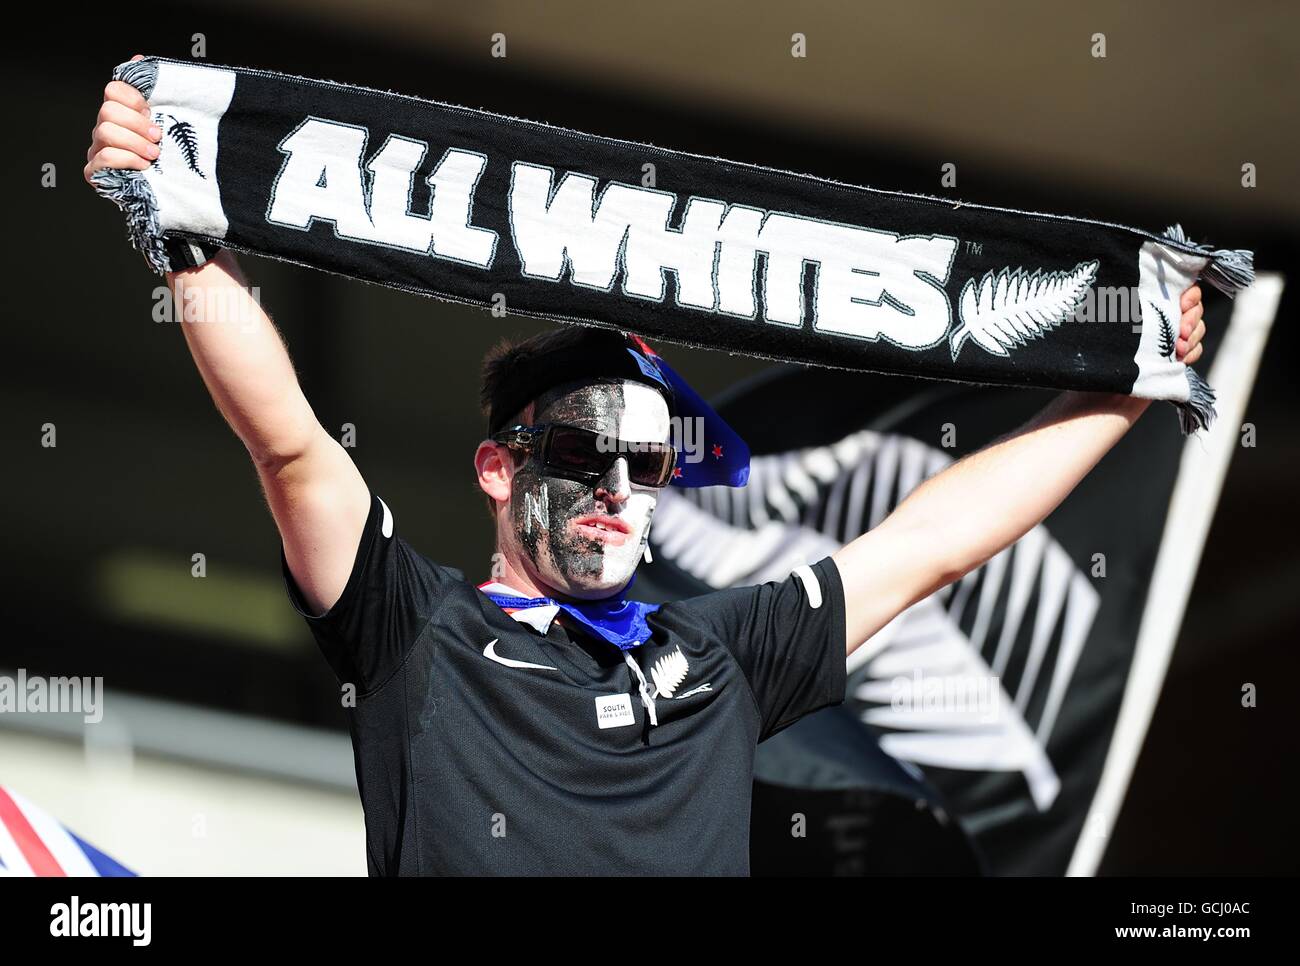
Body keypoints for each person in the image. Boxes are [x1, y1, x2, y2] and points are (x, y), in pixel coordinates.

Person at [85, 63, 1208, 875]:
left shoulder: (718, 656)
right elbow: (288, 441)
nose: (622, 486)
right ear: (496, 470)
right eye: (581, 453)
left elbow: (935, 537)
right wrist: (184, 234)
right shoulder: (411, 627)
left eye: (651, 458)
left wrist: (1123, 382)